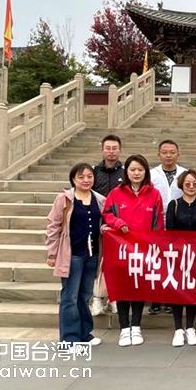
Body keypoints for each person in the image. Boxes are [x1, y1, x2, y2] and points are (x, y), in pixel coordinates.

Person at [102, 154, 165, 347]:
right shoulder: (116, 193)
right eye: (132, 170)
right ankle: (124, 328)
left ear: (145, 172)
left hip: (143, 250)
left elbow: (158, 223)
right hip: (120, 249)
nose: (136, 173)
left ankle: (136, 326)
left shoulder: (154, 194)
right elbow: (107, 214)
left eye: (140, 169)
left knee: (138, 287)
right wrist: (117, 222)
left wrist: (155, 246)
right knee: (122, 288)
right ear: (126, 172)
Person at [46, 163, 106, 347]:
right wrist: (52, 253)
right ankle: (69, 338)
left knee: (84, 295)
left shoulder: (100, 199)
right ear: (73, 179)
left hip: (92, 255)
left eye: (89, 176)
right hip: (72, 254)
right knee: (70, 297)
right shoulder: (64, 199)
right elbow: (53, 225)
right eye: (81, 177)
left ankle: (84, 333)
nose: (86, 180)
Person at [165, 169, 196, 347]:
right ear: (181, 185)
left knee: (192, 290)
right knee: (177, 291)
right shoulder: (174, 204)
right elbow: (169, 230)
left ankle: (190, 327)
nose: (191, 187)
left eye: (195, 184)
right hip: (178, 255)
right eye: (187, 184)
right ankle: (178, 329)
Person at [149, 140, 187, 316]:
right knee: (157, 262)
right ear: (159, 154)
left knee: (174, 262)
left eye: (172, 152)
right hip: (156, 223)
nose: (168, 155)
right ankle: (156, 300)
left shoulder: (184, 174)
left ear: (178, 154)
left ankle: (172, 299)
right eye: (165, 152)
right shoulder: (151, 175)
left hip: (178, 224)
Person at [90, 135, 124, 317]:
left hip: (120, 226)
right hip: (97, 224)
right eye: (108, 148)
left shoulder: (126, 172)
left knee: (117, 262)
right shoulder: (94, 172)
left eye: (114, 148)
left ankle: (114, 297)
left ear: (120, 150)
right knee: (99, 262)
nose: (111, 152)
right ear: (102, 150)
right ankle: (97, 298)